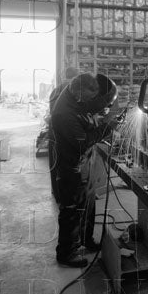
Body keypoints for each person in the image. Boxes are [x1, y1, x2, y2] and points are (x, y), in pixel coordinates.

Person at [50, 73, 103, 268]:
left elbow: (85, 112)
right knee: (71, 209)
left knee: (88, 201)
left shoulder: (74, 93)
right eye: (89, 97)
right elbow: (83, 143)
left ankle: (86, 240)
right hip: (70, 166)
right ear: (80, 91)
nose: (90, 101)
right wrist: (106, 128)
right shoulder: (64, 113)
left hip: (82, 163)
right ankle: (66, 253)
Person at [49, 67, 79, 203]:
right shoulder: (75, 89)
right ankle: (70, 197)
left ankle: (58, 193)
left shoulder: (56, 90)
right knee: (71, 165)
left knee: (56, 163)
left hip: (54, 131)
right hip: (69, 132)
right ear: (76, 77)